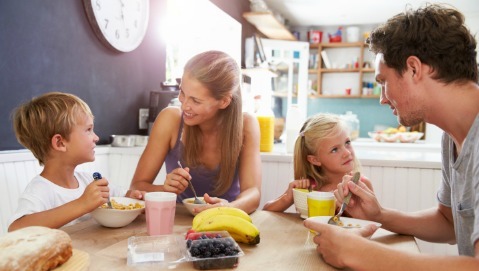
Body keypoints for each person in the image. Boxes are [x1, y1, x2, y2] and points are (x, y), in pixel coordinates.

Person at [304, 4, 479, 270]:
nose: (383, 98)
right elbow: (449, 224)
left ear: (413, 69)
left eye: (383, 81)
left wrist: (362, 253)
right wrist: (380, 215)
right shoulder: (452, 137)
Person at [129, 50, 261, 214]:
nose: (184, 106)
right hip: (176, 221)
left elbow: (253, 193)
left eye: (196, 101)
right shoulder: (170, 120)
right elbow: (136, 187)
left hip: (227, 220)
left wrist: (227, 208)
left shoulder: (247, 125)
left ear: (224, 101)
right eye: (182, 92)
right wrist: (165, 189)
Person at [8, 92, 144, 231]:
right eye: (88, 130)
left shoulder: (88, 180)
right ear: (60, 143)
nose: (96, 137)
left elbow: (122, 196)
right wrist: (82, 204)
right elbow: (16, 229)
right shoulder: (41, 189)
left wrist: (132, 197)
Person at [263, 113, 371, 212]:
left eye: (347, 142)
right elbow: (266, 212)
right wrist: (287, 197)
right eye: (334, 149)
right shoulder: (309, 188)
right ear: (315, 160)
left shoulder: (361, 185)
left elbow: (373, 220)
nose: (347, 153)